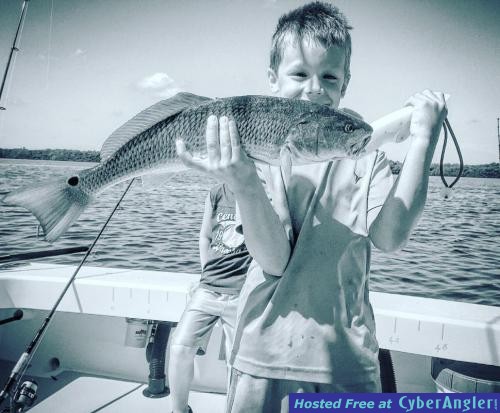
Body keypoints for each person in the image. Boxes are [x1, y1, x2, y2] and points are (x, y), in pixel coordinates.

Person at [176, 2, 448, 412]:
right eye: (299, 74)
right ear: (272, 78)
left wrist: (423, 139)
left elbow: (390, 237)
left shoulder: (368, 159)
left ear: (346, 83)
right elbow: (273, 260)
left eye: (329, 76)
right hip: (260, 357)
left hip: (347, 363)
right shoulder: (256, 161)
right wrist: (245, 181)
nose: (314, 88)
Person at [168, 183, 252, 413]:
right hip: (208, 288)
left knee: (236, 361)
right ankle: (179, 410)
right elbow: (205, 235)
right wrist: (205, 274)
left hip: (241, 292)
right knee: (180, 347)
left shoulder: (259, 190)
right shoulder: (216, 193)